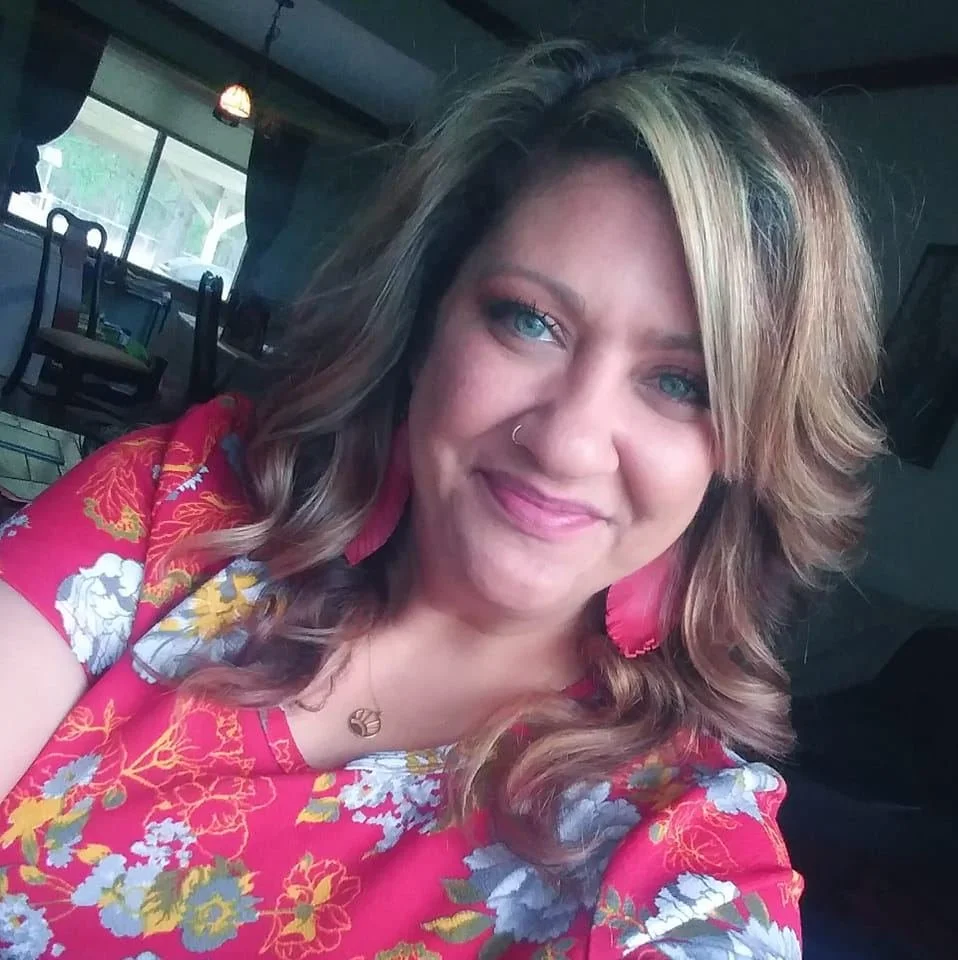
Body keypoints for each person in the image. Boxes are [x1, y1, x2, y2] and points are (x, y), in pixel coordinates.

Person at [0, 38, 882, 959]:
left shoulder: (687, 858)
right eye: (529, 321)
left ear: (741, 450)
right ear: (425, 320)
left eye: (681, 383)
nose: (569, 440)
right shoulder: (181, 504)